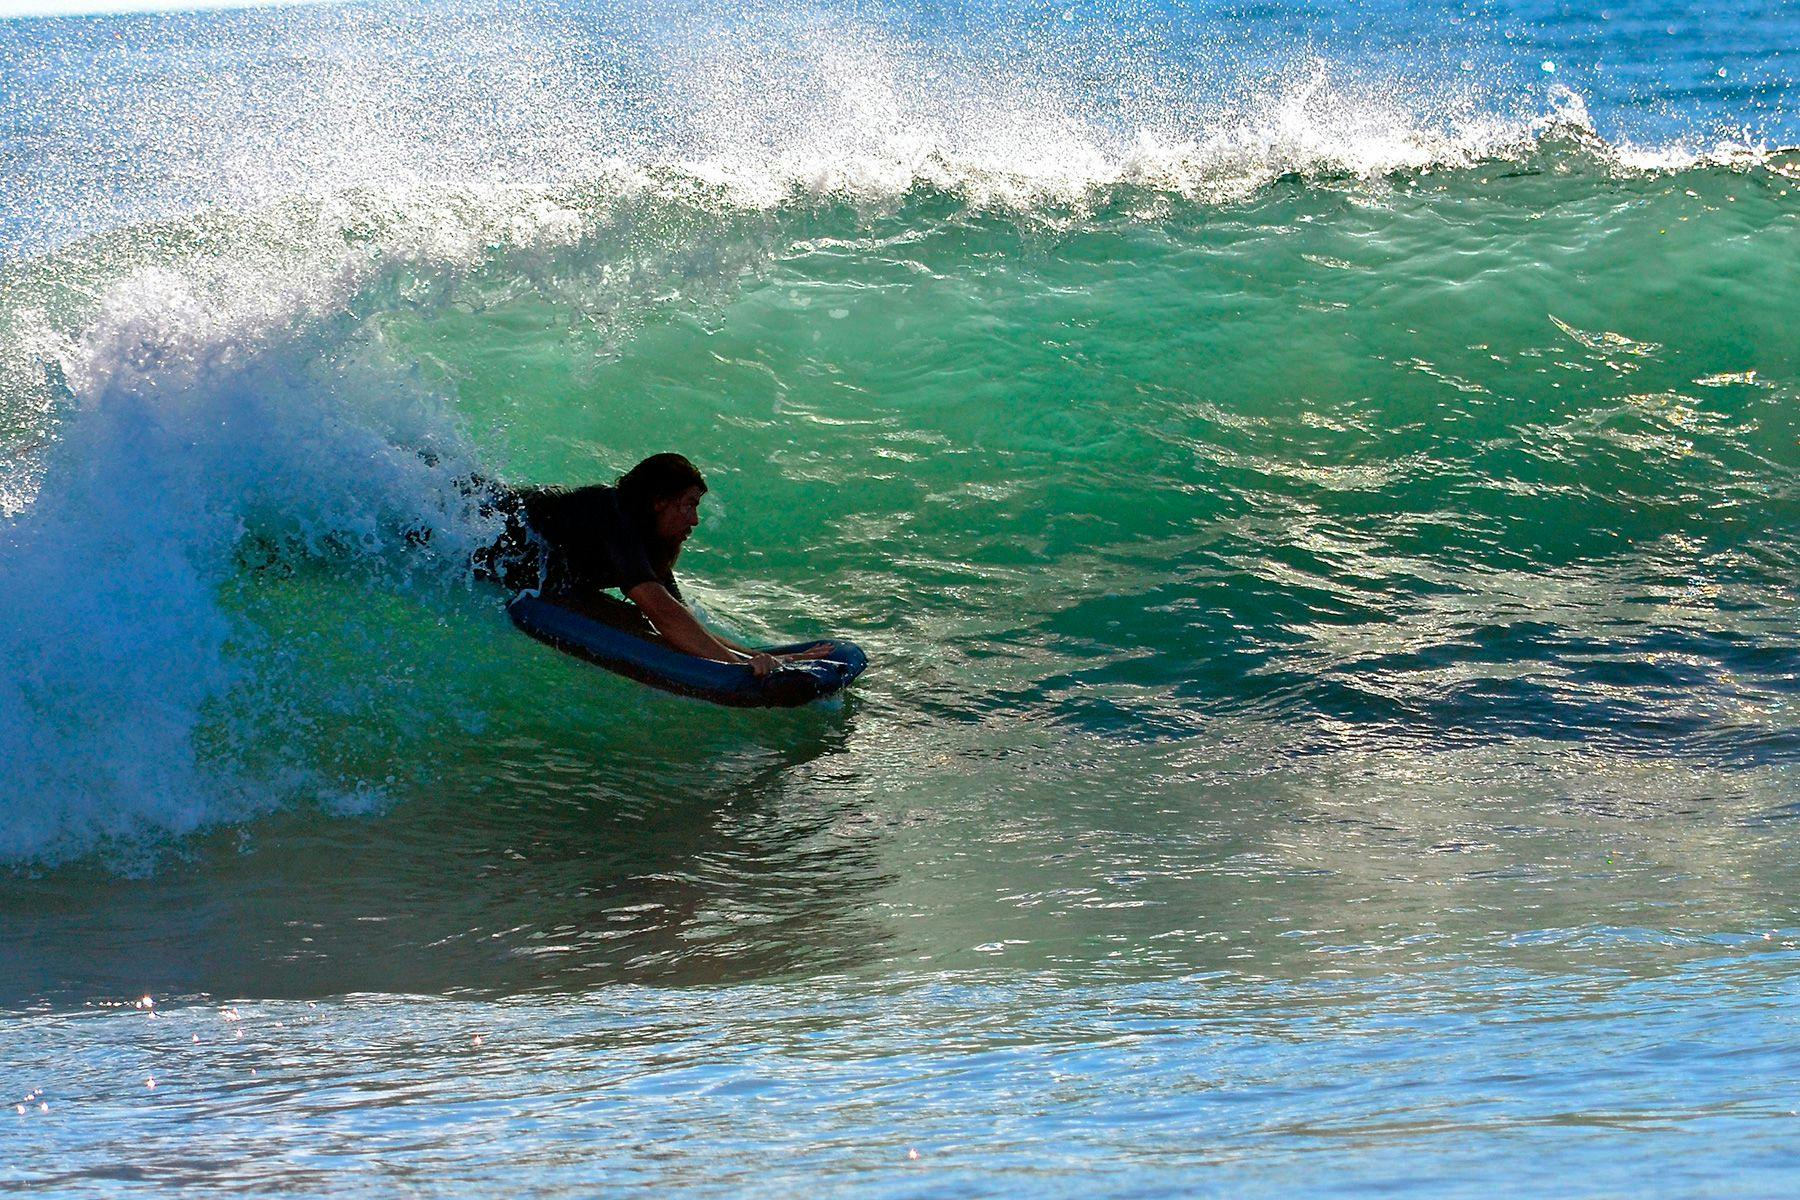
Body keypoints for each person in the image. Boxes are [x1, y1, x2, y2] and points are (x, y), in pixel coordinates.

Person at [472, 453, 832, 677]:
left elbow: (678, 620)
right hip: (473, 516)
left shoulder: (645, 539)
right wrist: (741, 668)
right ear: (660, 502)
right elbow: (661, 613)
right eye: (689, 505)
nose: (694, 520)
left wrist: (762, 656)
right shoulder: (615, 517)